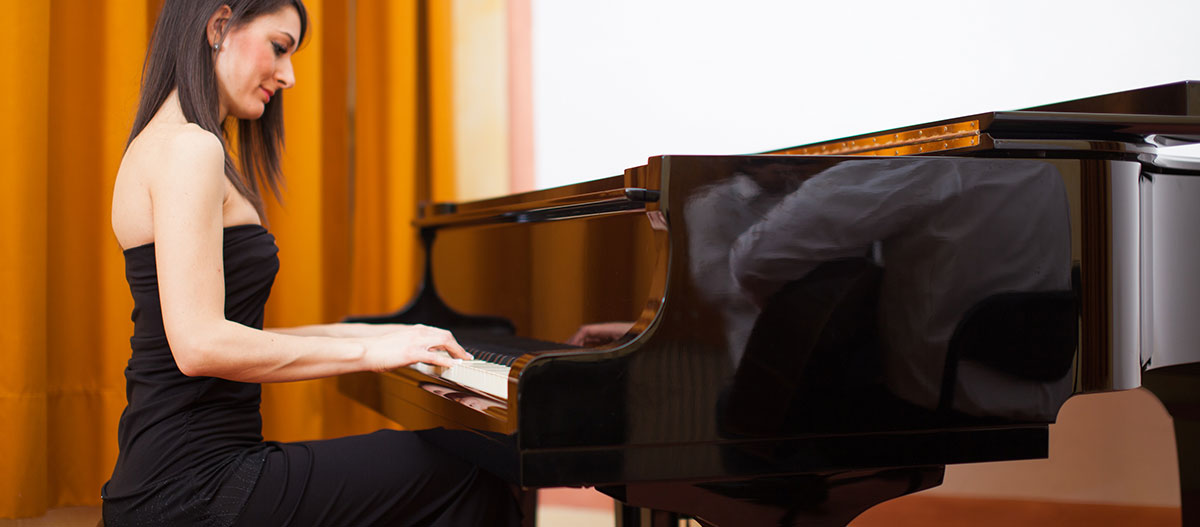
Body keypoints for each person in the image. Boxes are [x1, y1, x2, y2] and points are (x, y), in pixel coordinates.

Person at [101, 1, 521, 526]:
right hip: (193, 487)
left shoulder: (162, 145)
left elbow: (213, 331)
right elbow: (200, 346)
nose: (290, 75)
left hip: (169, 473)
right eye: (279, 47)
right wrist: (371, 351)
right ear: (218, 26)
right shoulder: (190, 148)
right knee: (469, 471)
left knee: (453, 463)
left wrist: (372, 334)